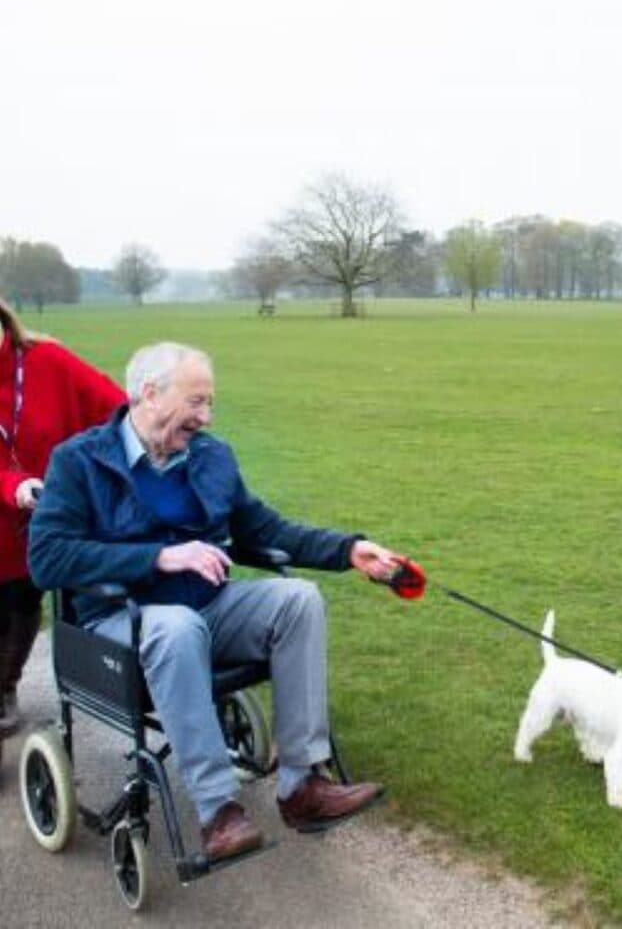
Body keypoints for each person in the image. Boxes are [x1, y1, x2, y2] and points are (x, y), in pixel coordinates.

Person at [29, 341, 404, 861]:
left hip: (207, 608)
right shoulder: (79, 462)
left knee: (298, 599)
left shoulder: (211, 457)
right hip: (121, 621)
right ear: (150, 394)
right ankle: (218, 811)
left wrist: (348, 550)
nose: (206, 417)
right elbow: (47, 559)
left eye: (211, 404)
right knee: (176, 627)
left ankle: (302, 786)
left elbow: (263, 529)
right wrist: (158, 558)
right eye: (196, 402)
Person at [0, 298, 125, 755]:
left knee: (26, 599)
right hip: (4, 514)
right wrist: (13, 485)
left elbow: (116, 407)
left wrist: (161, 428)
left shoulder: (46, 360)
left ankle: (7, 681)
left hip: (60, 511)